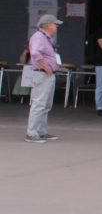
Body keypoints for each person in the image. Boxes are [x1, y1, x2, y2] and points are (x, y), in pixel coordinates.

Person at [25, 14, 63, 143]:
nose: (57, 26)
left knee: (45, 105)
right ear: (47, 25)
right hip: (42, 74)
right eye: (55, 24)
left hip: (46, 74)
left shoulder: (45, 38)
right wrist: (47, 68)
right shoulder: (39, 38)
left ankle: (41, 132)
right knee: (39, 104)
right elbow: (35, 53)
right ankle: (32, 133)